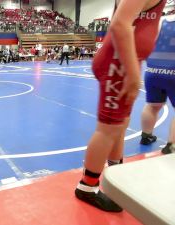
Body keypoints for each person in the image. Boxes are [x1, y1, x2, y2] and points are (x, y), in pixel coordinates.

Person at [74, 0, 167, 212]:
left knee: (119, 124)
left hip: (122, 61)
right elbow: (120, 24)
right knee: (109, 128)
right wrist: (133, 73)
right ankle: (87, 186)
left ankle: (116, 172)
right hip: (118, 63)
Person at [140, 14, 175, 154]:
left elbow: (146, 42)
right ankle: (171, 146)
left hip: (152, 71)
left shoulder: (161, 20)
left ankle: (146, 136)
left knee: (152, 106)